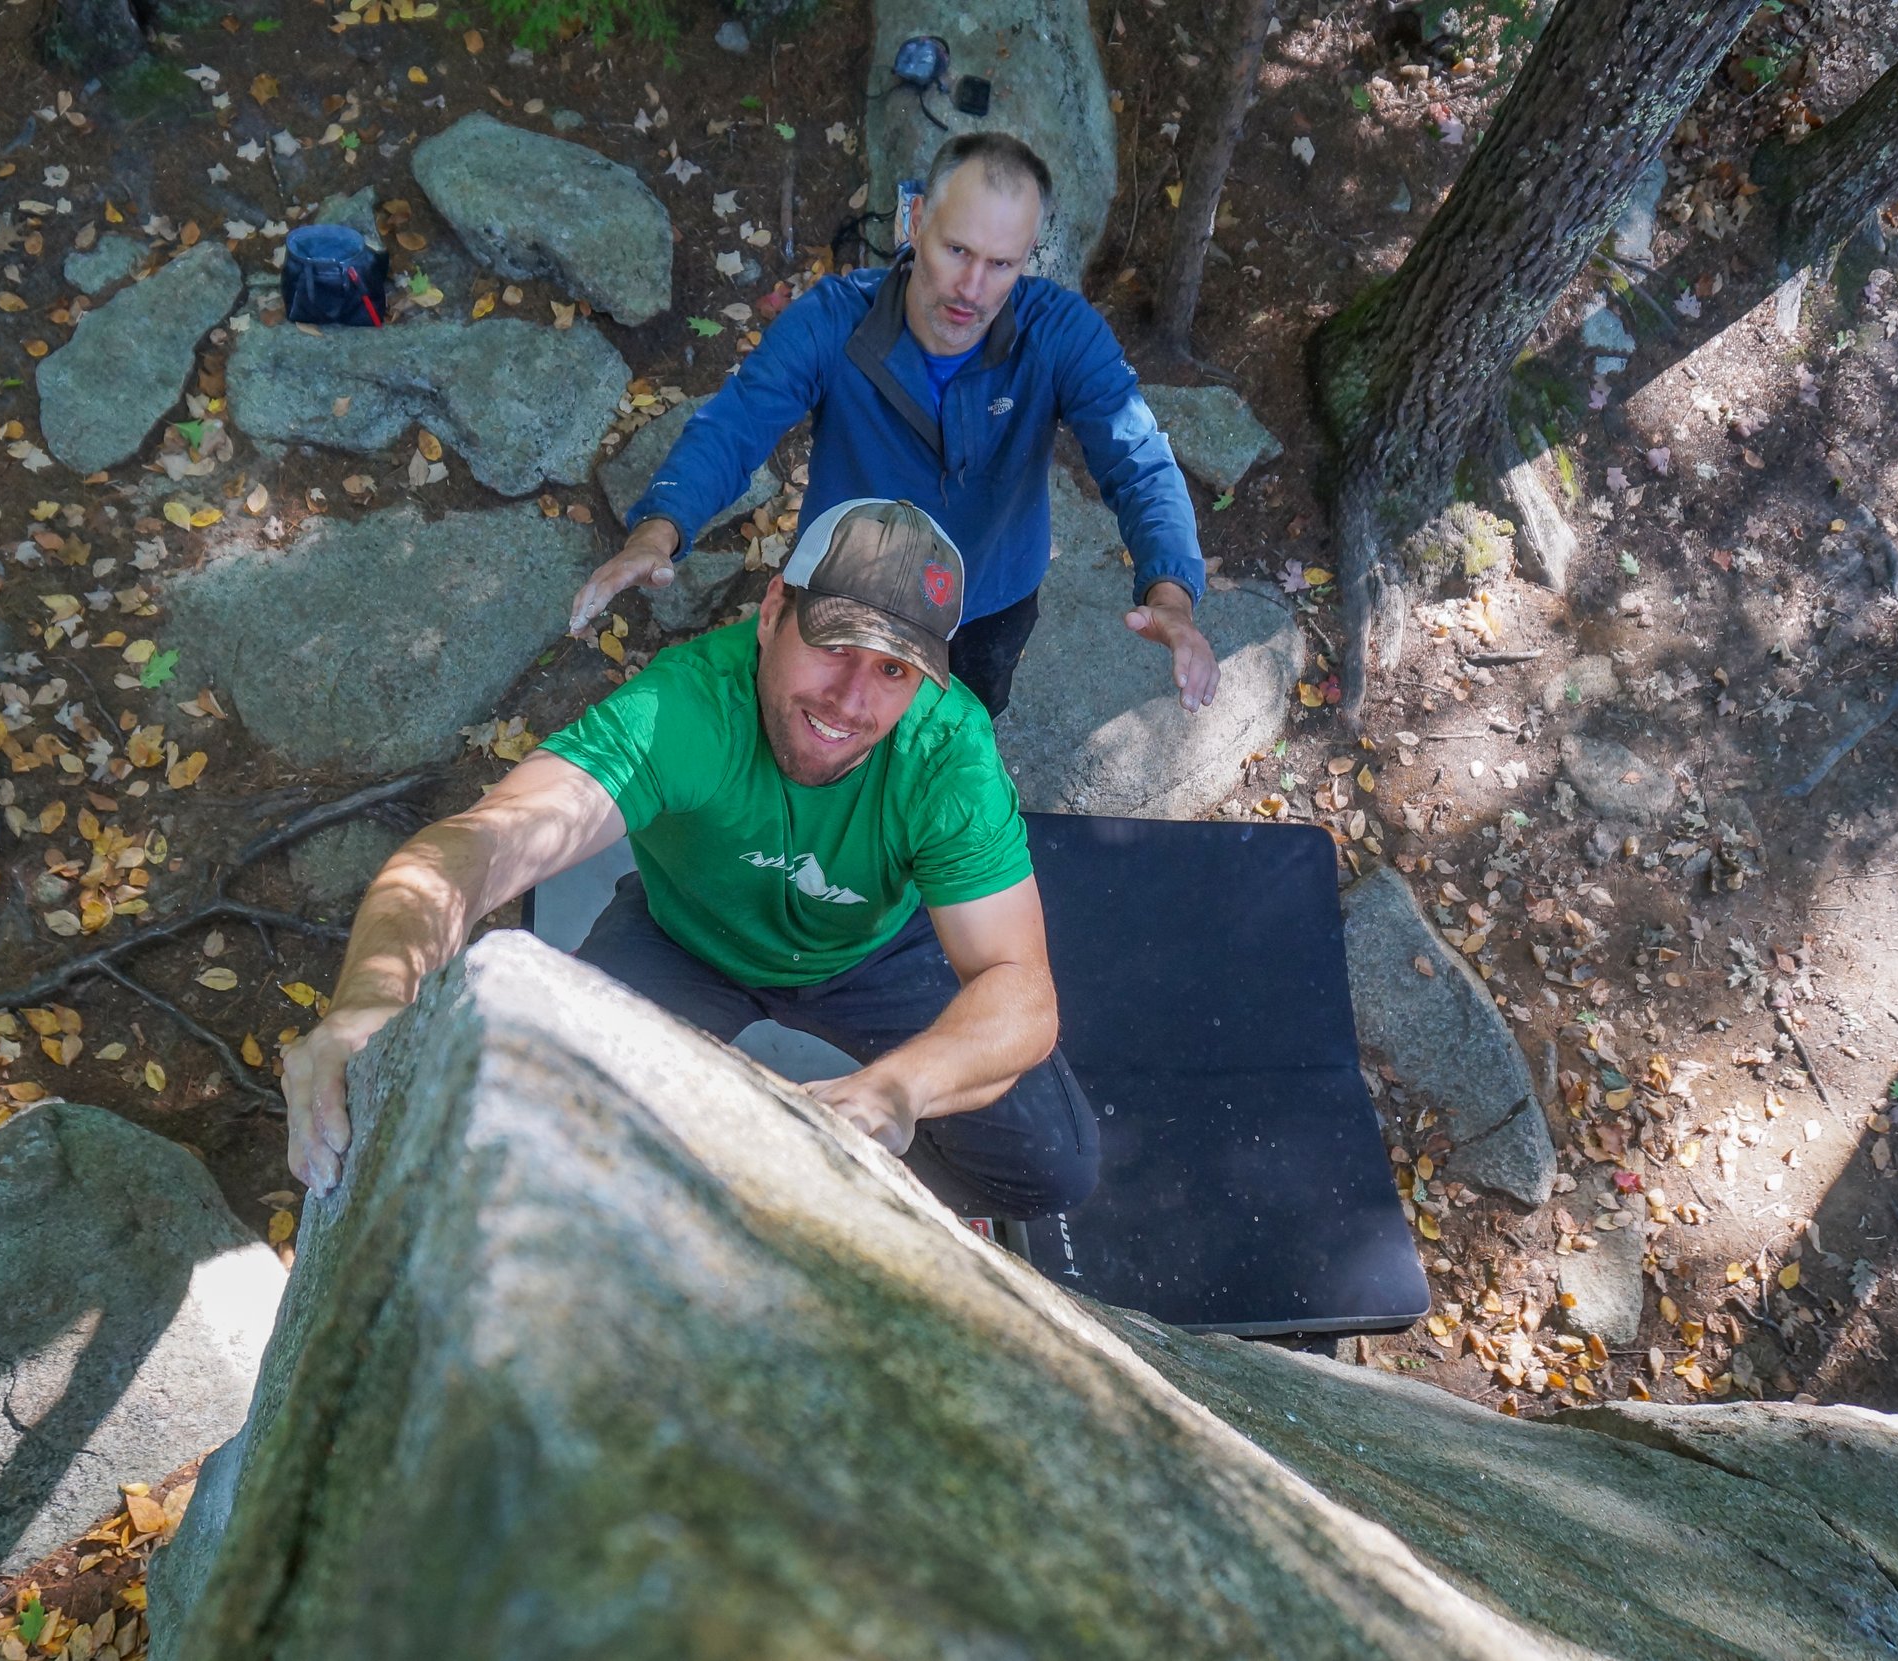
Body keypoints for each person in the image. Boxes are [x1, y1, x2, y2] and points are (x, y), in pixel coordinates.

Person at [285, 499, 1098, 1222]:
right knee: (552, 1137)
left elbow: (1018, 989)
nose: (852, 700)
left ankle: (878, 1209)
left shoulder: (947, 749)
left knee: (1052, 1166)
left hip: (871, 950)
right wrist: (370, 1000)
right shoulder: (685, 706)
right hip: (686, 935)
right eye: (833, 644)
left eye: (893, 670)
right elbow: (482, 842)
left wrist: (901, 1089)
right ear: (775, 609)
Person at [567, 130, 1219, 720]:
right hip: (847, 592)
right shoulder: (832, 320)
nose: (972, 287)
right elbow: (735, 424)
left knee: (956, 737)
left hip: (987, 600)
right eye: (956, 249)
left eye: (1002, 264)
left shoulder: (1060, 333)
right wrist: (659, 530)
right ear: (914, 221)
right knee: (827, 735)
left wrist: (1171, 593)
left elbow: (1138, 460)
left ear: (1028, 257)